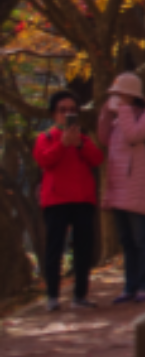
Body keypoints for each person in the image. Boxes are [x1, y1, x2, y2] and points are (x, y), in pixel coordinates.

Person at [97, 71, 145, 304]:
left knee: (141, 238)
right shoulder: (121, 116)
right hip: (118, 185)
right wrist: (106, 113)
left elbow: (133, 136)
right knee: (126, 240)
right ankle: (130, 285)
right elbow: (104, 137)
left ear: (131, 95)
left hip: (139, 184)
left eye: (120, 94)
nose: (117, 97)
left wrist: (122, 110)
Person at [34, 89, 104, 312]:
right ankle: (52, 296)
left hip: (83, 199)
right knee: (54, 249)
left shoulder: (84, 139)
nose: (67, 114)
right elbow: (44, 160)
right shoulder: (45, 138)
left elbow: (97, 159)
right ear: (53, 114)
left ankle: (80, 296)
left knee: (83, 249)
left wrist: (79, 144)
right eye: (62, 110)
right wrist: (62, 144)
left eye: (72, 110)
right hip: (56, 201)